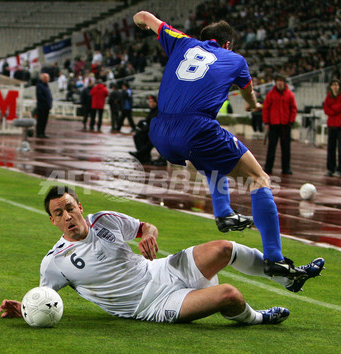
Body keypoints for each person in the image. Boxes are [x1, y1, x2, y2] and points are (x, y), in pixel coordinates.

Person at [133, 11, 315, 277]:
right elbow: (248, 92)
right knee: (258, 177)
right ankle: (275, 257)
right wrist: (254, 106)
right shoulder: (235, 59)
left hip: (160, 132)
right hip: (196, 128)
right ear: (228, 44)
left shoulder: (181, 41)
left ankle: (224, 213)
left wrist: (139, 24)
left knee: (210, 158)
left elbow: (144, 16)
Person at [0, 186, 324, 324]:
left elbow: (146, 227)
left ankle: (285, 277)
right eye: (59, 213)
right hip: (150, 305)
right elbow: (45, 299)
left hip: (162, 270)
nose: (68, 216)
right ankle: (258, 317)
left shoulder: (105, 220)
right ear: (53, 221)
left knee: (225, 248)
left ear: (80, 207)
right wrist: (23, 308)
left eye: (70, 208)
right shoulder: (54, 262)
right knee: (229, 295)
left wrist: (150, 237)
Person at [262, 74, 297, 175]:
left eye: (282, 81)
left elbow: (293, 109)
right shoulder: (270, 94)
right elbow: (266, 109)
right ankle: (268, 167)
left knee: (286, 148)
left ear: (284, 82)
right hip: (273, 124)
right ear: (275, 82)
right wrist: (266, 122)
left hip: (285, 125)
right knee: (271, 147)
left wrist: (291, 121)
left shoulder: (290, 95)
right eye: (278, 81)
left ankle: (286, 168)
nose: (280, 83)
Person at [323, 78, 341, 178]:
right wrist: (335, 110)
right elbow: (326, 109)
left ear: (340, 86)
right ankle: (330, 168)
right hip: (331, 125)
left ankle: (340, 169)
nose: (335, 87)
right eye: (333, 84)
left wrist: (332, 108)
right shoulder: (329, 96)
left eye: (337, 85)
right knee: (331, 148)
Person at [129, 95, 160, 164]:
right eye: (149, 102)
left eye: (152, 102)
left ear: (155, 102)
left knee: (148, 140)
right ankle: (141, 155)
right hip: (150, 131)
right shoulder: (152, 110)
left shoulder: (158, 111)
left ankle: (140, 154)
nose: (150, 104)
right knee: (137, 136)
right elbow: (148, 120)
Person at [36, 73, 53, 138]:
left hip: (46, 106)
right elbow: (39, 96)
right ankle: (39, 133)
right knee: (40, 120)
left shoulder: (46, 86)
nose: (48, 79)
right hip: (42, 106)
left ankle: (43, 132)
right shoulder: (39, 85)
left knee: (44, 121)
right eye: (46, 78)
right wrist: (45, 101)